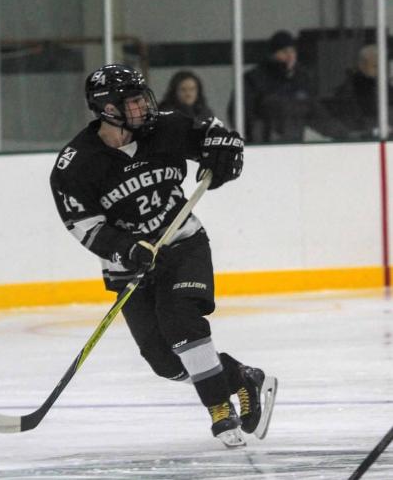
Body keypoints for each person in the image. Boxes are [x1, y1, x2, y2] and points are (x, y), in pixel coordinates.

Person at [50, 64, 273, 447]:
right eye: (132, 101)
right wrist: (127, 248)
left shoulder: (165, 128)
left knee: (180, 320)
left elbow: (215, 136)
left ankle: (219, 409)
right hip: (129, 265)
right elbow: (84, 226)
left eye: (142, 97)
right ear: (107, 109)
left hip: (183, 243)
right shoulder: (76, 164)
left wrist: (225, 150)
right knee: (164, 361)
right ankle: (240, 377)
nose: (143, 106)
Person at [228, 30, 348, 143]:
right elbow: (239, 115)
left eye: (292, 51)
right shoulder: (254, 79)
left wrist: (344, 135)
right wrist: (259, 138)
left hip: (293, 148)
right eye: (284, 52)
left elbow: (318, 115)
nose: (290, 56)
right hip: (263, 149)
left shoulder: (301, 80)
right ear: (272, 54)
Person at [328, 44, 393, 137]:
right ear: (362, 65)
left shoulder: (383, 86)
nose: (380, 70)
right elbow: (356, 122)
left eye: (383, 66)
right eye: (375, 66)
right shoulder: (351, 90)